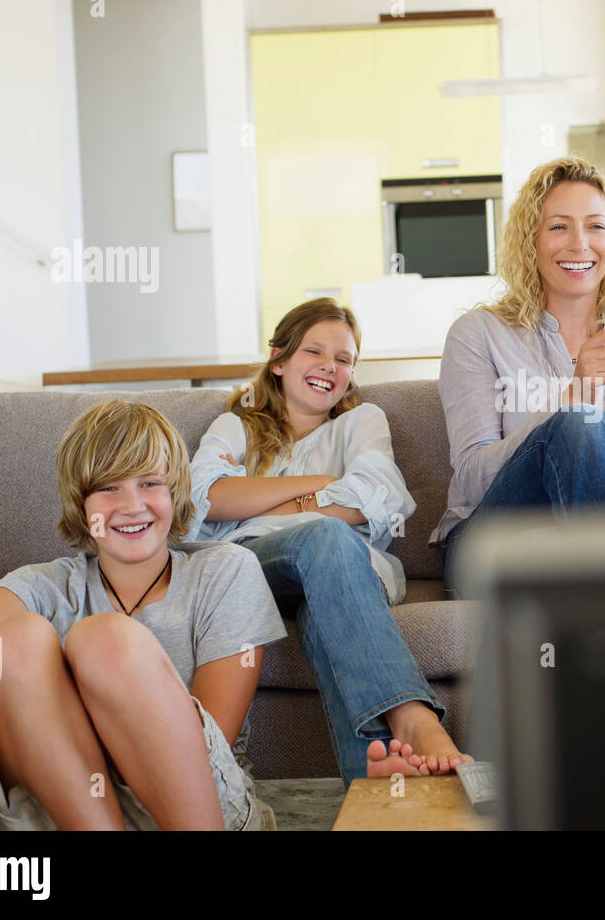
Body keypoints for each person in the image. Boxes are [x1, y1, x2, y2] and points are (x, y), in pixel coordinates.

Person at [0, 400, 285, 830]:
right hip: (70, 806)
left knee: (103, 640)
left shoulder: (226, 571)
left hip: (190, 805)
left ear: (176, 494)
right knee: (13, 637)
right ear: (80, 505)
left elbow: (214, 739)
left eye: (150, 483)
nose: (131, 505)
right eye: (108, 488)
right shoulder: (41, 584)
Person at [188, 297, 470, 779]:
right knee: (326, 534)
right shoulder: (236, 426)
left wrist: (262, 502)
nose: (329, 368)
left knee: (326, 578)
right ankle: (409, 712)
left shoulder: (362, 422)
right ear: (278, 359)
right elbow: (204, 499)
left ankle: (373, 780)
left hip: (344, 572)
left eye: (343, 359)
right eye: (314, 352)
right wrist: (314, 485)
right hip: (253, 567)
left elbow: (374, 496)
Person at [434, 155, 605, 594]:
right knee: (579, 423)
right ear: (530, 242)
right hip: (492, 547)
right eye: (557, 227)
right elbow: (472, 477)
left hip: (588, 557)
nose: (579, 244)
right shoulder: (478, 335)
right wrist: (573, 395)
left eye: (595, 226)